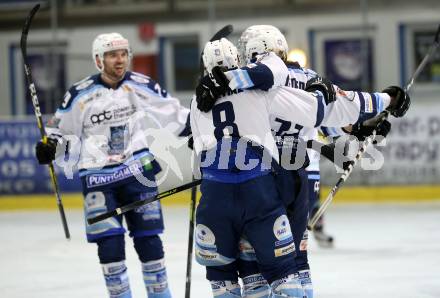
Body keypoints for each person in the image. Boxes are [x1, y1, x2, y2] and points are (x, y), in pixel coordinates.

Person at [196, 25, 409, 298]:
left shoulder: (249, 86)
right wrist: (370, 119)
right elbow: (336, 118)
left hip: (260, 182)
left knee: (256, 268)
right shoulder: (308, 78)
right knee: (296, 262)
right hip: (301, 179)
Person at [35, 32, 190, 298]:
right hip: (98, 179)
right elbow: (61, 132)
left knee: (150, 242)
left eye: (123, 54)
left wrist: (199, 128)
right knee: (109, 248)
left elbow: (175, 113)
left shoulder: (142, 85)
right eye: (112, 55)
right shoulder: (79, 94)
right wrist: (51, 146)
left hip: (138, 173)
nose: (119, 60)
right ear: (98, 60)